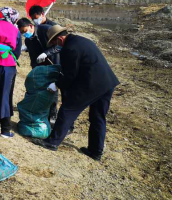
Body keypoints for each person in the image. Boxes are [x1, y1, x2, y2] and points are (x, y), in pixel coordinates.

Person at [32, 26, 119, 161]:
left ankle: (52, 142)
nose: (56, 46)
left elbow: (70, 74)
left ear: (60, 38)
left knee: (68, 110)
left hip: (92, 84)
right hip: (107, 83)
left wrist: (56, 85)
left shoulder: (70, 48)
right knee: (98, 117)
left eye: (55, 43)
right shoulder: (81, 40)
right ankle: (96, 151)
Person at [17, 17, 62, 123]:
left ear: (31, 26)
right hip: (41, 68)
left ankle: (53, 114)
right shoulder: (28, 40)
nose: (25, 34)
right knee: (42, 89)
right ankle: (43, 111)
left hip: (54, 63)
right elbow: (33, 57)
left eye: (25, 31)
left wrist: (47, 53)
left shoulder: (46, 29)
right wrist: (34, 71)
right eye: (22, 33)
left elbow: (59, 46)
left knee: (53, 89)